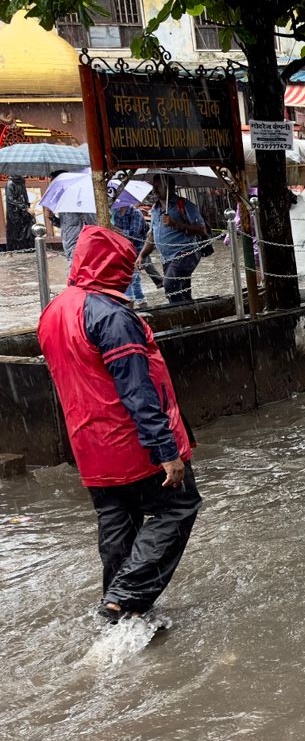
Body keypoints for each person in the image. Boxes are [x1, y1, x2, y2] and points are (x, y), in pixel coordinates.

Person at [37, 226, 201, 622]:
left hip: (90, 446)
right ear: (116, 269)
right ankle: (125, 598)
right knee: (177, 508)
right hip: (131, 443)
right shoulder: (111, 316)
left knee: (117, 526)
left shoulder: (54, 311)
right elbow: (138, 391)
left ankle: (118, 615)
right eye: (128, 268)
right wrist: (167, 452)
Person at [149, 174, 209, 303]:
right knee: (182, 290)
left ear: (169, 187)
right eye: (154, 186)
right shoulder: (155, 209)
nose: (155, 190)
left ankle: (180, 317)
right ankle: (191, 316)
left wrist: (175, 224)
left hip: (186, 253)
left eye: (158, 186)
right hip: (167, 258)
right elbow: (151, 235)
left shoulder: (184, 205)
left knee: (171, 286)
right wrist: (142, 255)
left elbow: (201, 229)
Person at [111, 200, 151, 306]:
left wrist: (115, 229)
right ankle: (136, 307)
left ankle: (139, 308)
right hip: (123, 252)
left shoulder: (136, 213)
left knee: (134, 281)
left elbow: (133, 235)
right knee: (129, 282)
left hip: (136, 252)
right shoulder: (116, 214)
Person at [5, 176, 34, 252]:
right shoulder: (10, 184)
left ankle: (26, 248)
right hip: (14, 212)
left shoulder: (21, 181)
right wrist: (26, 208)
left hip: (23, 211)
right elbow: (11, 199)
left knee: (26, 230)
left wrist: (27, 206)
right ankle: (15, 250)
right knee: (15, 231)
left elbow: (25, 195)